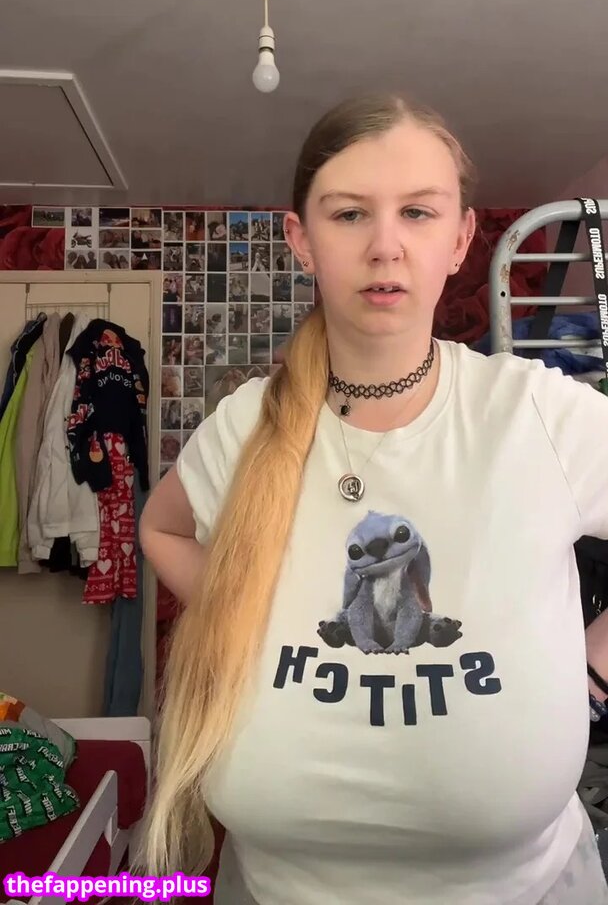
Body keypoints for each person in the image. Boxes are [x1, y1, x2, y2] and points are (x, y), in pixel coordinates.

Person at [139, 92, 608, 904]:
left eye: (418, 213)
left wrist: (590, 672)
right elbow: (163, 528)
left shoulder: (539, 413)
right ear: (302, 241)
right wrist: (246, 607)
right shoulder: (244, 426)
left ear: (459, 239)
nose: (385, 245)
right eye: (350, 213)